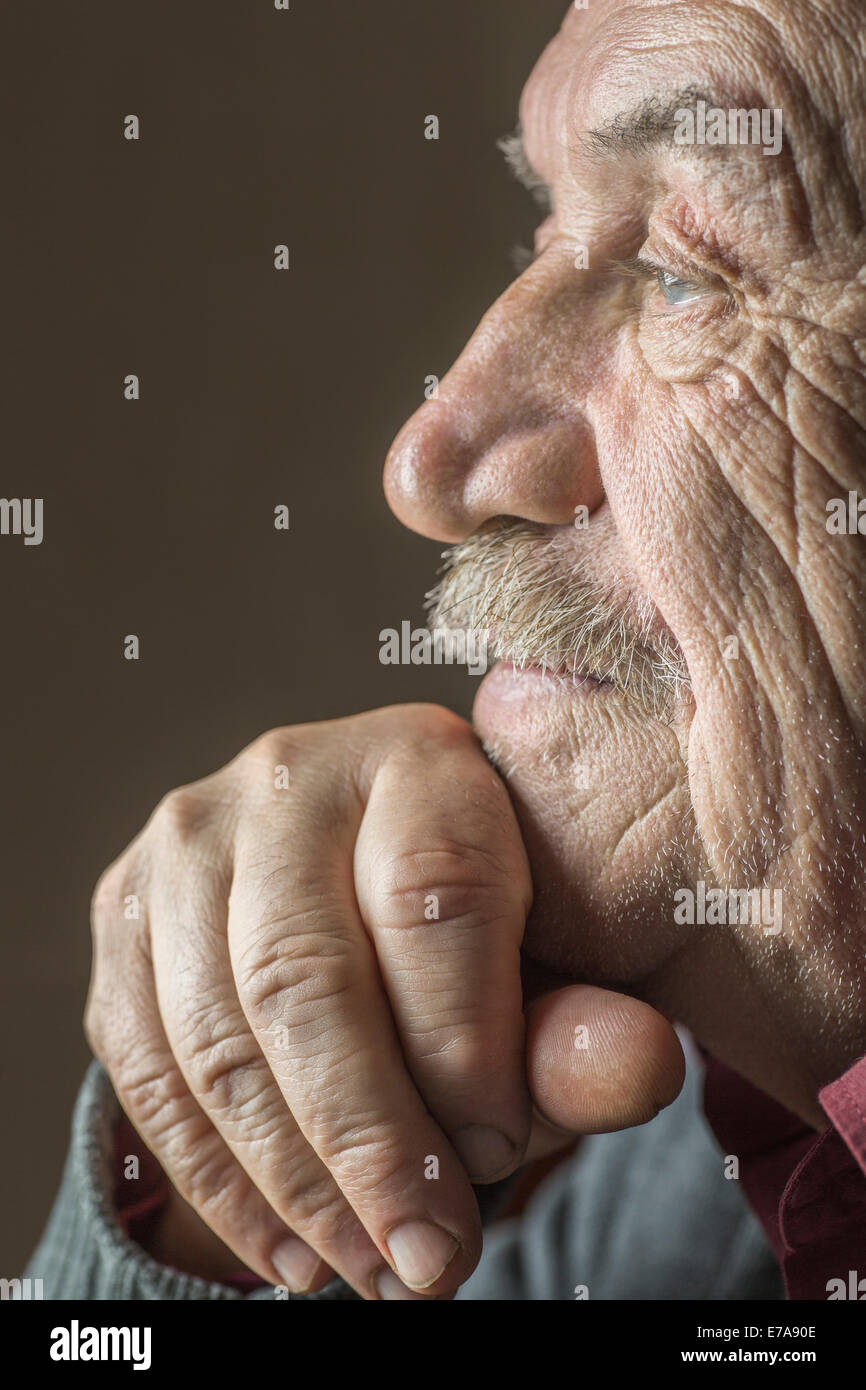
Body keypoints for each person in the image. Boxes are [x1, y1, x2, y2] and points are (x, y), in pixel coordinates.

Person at [27, 0, 866, 1300]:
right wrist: (244, 1190)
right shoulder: (682, 1221)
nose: (433, 465)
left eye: (682, 273)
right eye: (540, 238)